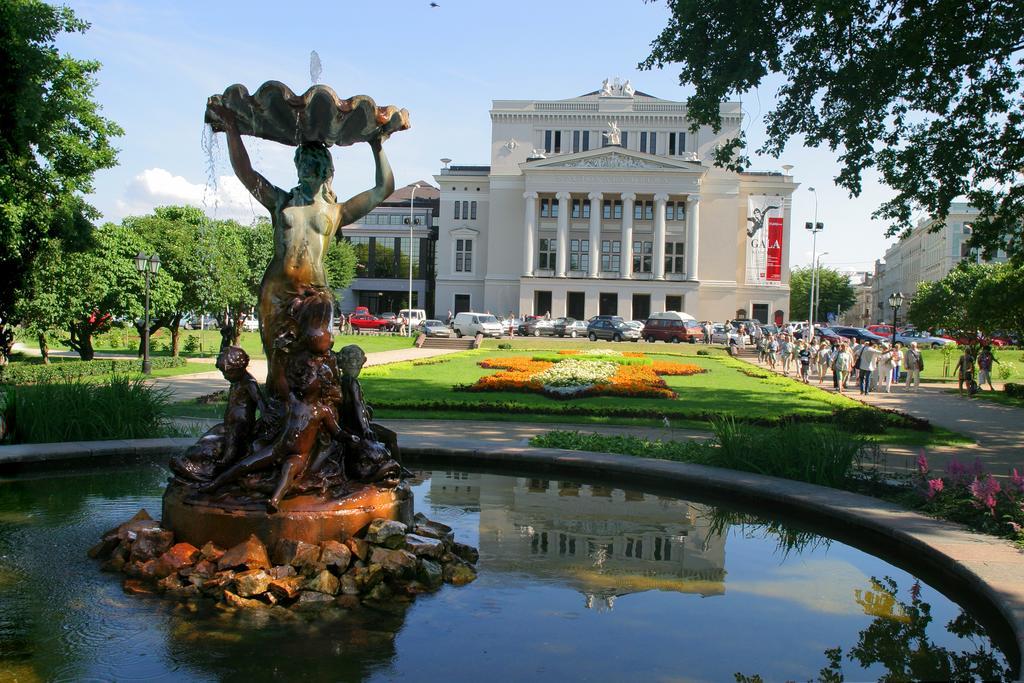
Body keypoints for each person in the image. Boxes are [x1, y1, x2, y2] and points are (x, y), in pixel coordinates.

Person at [211, 101, 393, 400]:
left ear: (325, 169)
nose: (306, 169)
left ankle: (317, 415)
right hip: (277, 289)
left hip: (314, 291)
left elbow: (383, 188)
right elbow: (245, 172)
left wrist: (377, 145)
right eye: (302, 163)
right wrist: (233, 129)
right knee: (276, 359)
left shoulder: (337, 211)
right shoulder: (280, 201)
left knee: (317, 348)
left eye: (312, 163)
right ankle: (276, 420)